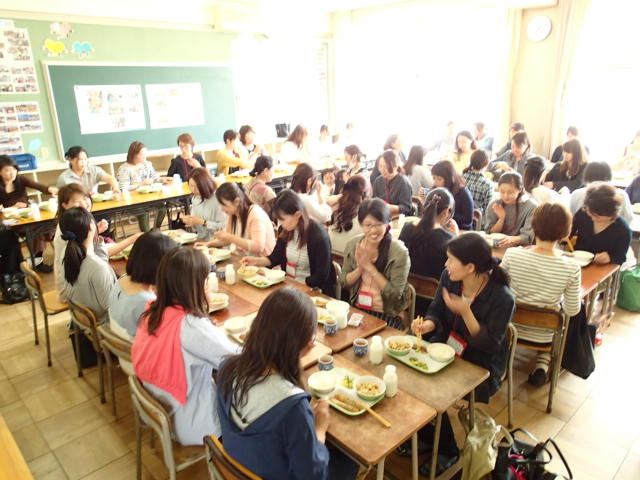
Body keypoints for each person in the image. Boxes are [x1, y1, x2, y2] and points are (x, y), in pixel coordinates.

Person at [217, 287, 359, 480]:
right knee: (350, 458)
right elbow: (314, 476)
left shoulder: (227, 368)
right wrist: (319, 429)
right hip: (271, 471)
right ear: (304, 343)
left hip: (237, 466)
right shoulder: (292, 407)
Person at [406, 233, 514, 475]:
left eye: (451, 260)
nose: (446, 264)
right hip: (445, 346)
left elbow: (490, 345)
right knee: (410, 376)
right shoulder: (449, 277)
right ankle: (427, 436)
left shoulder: (502, 297)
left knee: (431, 388)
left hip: (480, 362)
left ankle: (448, 450)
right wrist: (428, 325)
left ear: (470, 267)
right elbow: (436, 309)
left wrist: (466, 311)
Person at [131, 247, 239, 445]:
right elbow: (240, 359)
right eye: (205, 281)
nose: (208, 286)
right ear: (195, 287)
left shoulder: (153, 310)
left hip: (161, 409)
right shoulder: (190, 327)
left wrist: (206, 328)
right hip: (196, 425)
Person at [501, 203, 581, 386]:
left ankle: (504, 362)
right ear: (565, 233)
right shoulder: (571, 267)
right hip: (545, 334)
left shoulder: (512, 255)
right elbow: (572, 310)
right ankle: (542, 365)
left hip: (509, 327)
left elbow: (498, 288)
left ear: (533, 226)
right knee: (555, 315)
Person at [53, 183, 139, 299]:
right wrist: (133, 239)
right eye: (76, 201)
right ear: (64, 205)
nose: (83, 204)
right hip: (73, 291)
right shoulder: (68, 231)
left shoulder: (70, 223)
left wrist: (94, 232)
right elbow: (98, 255)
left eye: (85, 198)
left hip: (74, 287)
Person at [242, 190, 335, 295]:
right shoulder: (285, 230)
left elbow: (321, 275)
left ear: (298, 214)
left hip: (311, 290)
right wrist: (256, 261)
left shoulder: (318, 236)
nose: (280, 223)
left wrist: (298, 285)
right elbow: (274, 258)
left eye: (283, 219)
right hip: (289, 286)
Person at [340, 199, 410, 329]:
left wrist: (370, 268)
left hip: (387, 314)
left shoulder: (399, 252)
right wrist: (360, 269)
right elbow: (343, 282)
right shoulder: (353, 245)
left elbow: (395, 295)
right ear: (360, 224)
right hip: (358, 309)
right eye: (368, 225)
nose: (373, 230)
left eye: (379, 224)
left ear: (387, 224)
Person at [108, 232, 178, 339]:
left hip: (120, 342)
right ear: (159, 266)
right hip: (137, 347)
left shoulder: (122, 279)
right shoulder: (148, 303)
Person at [58, 207, 117, 324]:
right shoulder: (97, 267)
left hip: (81, 320)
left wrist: (95, 236)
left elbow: (96, 262)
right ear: (91, 227)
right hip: (103, 325)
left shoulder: (66, 252)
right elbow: (112, 307)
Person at [0, 155, 57, 272]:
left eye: (14, 169)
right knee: (37, 230)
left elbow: (39, 186)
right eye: (7, 170)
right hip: (11, 222)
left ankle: (36, 260)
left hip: (27, 216)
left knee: (43, 227)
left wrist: (50, 190)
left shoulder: (20, 179)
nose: (12, 173)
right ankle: (37, 262)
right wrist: (13, 207)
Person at [200, 182, 275, 256]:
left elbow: (258, 247)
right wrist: (208, 244)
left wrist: (231, 238)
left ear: (237, 201)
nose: (222, 209)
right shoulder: (233, 213)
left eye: (224, 205)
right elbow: (227, 239)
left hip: (261, 261)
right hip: (243, 258)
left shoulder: (255, 214)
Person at [399, 187, 457, 279]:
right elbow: (455, 268)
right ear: (446, 212)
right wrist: (456, 238)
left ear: (425, 205)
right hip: (436, 287)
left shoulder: (407, 227)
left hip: (406, 284)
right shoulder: (448, 239)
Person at [571, 184, 632, 265]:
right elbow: (569, 232)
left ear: (611, 214)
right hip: (577, 262)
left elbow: (620, 257)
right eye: (590, 213)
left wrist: (610, 258)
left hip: (601, 267)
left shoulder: (623, 230)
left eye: (596, 216)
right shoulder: (583, 213)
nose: (592, 218)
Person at [117, 141, 166, 232]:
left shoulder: (147, 164)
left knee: (162, 208)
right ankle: (147, 236)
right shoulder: (125, 168)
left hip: (147, 197)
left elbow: (156, 178)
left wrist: (164, 179)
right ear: (133, 154)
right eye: (141, 155)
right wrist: (140, 184)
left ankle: (156, 230)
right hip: (132, 200)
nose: (144, 157)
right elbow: (123, 188)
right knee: (143, 214)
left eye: (145, 154)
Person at [569, 161, 634, 222]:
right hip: (614, 229)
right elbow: (628, 218)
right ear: (609, 175)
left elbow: (571, 217)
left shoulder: (576, 194)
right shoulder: (620, 194)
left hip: (582, 230)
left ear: (586, 175)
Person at [484, 172, 537, 247]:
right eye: (502, 192)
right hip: (496, 245)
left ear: (520, 189)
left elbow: (527, 237)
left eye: (510, 192)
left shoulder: (532, 207)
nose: (505, 196)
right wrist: (501, 219)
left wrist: (510, 239)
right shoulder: (494, 204)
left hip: (519, 247)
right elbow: (489, 233)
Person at [180, 168, 226, 240]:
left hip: (218, 241)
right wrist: (189, 221)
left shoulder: (218, 200)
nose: (193, 190)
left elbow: (224, 228)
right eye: (191, 185)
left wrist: (203, 222)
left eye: (197, 186)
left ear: (205, 185)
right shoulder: (195, 198)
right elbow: (196, 227)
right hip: (201, 239)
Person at [56, 146, 120, 195]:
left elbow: (109, 178)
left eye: (85, 159)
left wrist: (115, 187)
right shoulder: (63, 178)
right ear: (70, 160)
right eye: (80, 159)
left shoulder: (94, 170)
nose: (84, 162)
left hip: (95, 202)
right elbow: (60, 195)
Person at [329, 175, 367, 255]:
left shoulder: (336, 209)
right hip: (350, 259)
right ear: (364, 192)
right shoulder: (363, 215)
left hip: (332, 256)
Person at [431, 160, 474, 230]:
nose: (435, 182)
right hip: (441, 226)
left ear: (449, 179)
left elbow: (468, 219)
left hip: (460, 229)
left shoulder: (463, 193)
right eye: (434, 178)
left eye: (439, 179)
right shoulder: (436, 189)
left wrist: (446, 214)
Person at [372, 150, 413, 216]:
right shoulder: (378, 181)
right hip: (382, 216)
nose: (382, 170)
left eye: (386, 167)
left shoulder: (403, 182)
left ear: (396, 166)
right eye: (380, 166)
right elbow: (374, 200)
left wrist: (387, 207)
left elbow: (406, 208)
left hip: (399, 217)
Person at [462, 150, 493, 215]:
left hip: (458, 215)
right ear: (486, 164)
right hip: (475, 218)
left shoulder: (461, 177)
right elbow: (487, 209)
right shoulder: (487, 184)